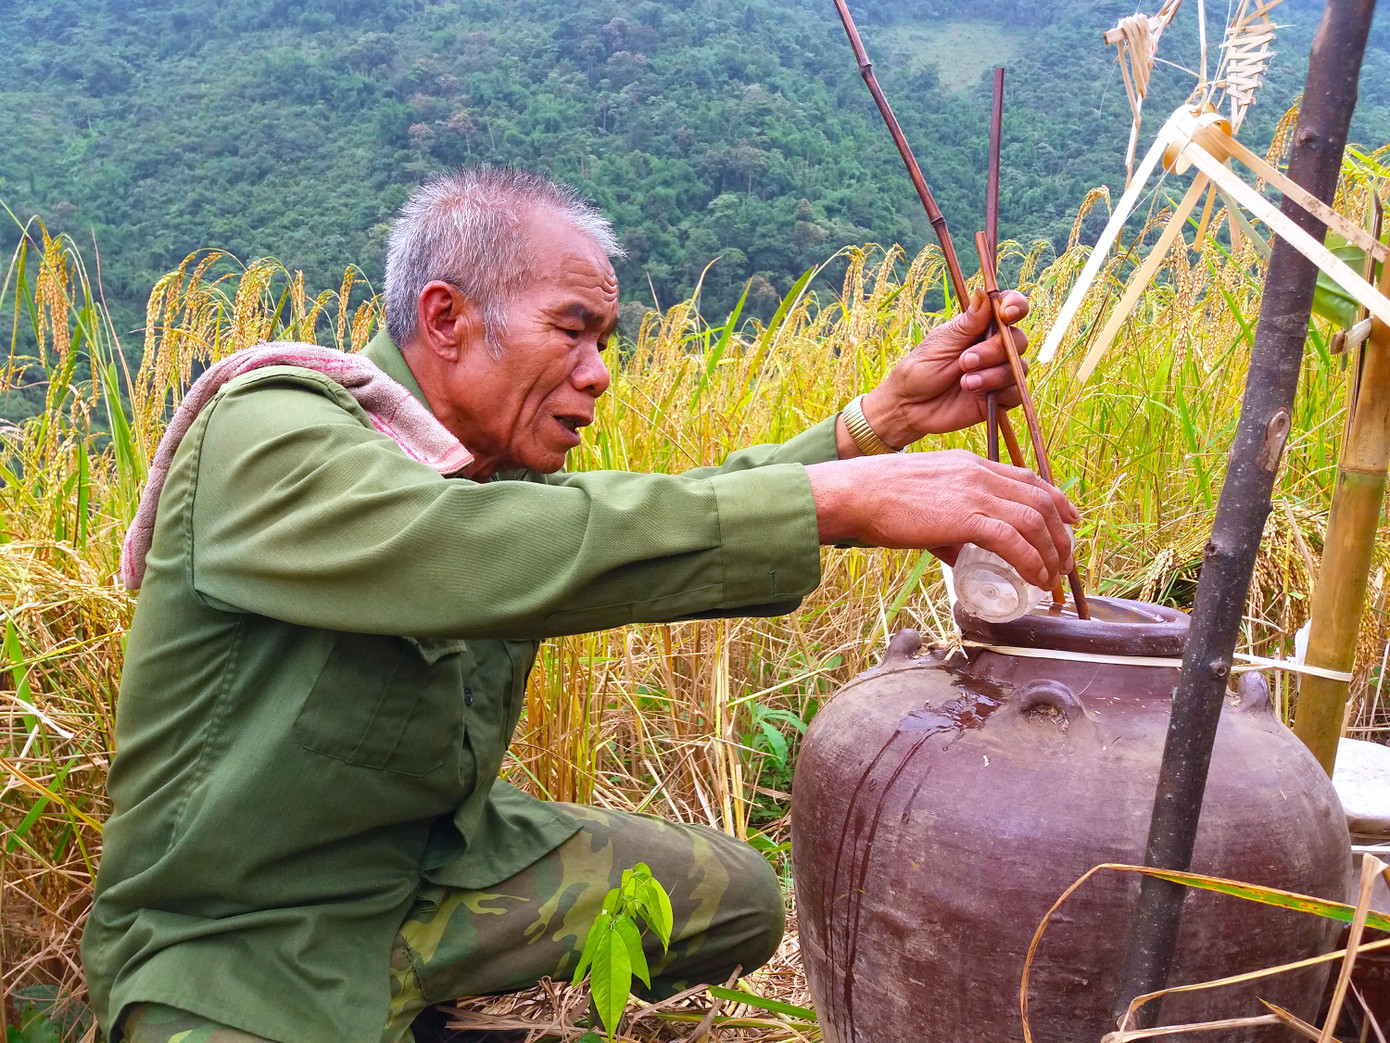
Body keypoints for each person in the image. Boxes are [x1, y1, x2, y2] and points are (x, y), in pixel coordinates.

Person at [82, 167, 1077, 1043]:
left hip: (433, 873)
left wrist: (879, 424)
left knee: (732, 901)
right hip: (237, 933)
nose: (599, 374)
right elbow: (470, 549)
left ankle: (430, 996)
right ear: (445, 319)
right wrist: (830, 504)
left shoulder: (478, 473)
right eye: (572, 331)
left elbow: (621, 517)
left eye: (605, 338)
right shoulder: (272, 432)